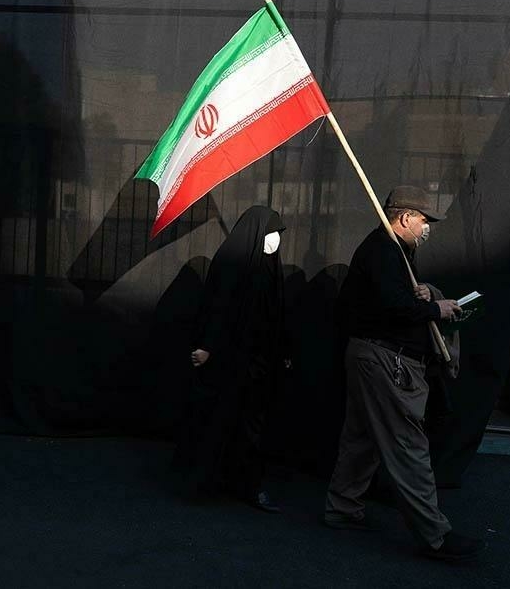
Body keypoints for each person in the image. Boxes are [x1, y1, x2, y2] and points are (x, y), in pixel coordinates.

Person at [324, 185, 485, 562]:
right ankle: (435, 535)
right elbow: (391, 306)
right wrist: (435, 310)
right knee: (407, 445)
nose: (427, 228)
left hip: (372, 357)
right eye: (424, 220)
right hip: (384, 360)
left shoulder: (394, 250)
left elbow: (391, 298)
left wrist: (424, 292)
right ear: (406, 217)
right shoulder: (383, 250)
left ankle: (342, 507)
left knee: (363, 437)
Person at [177, 206, 289, 513]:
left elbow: (275, 315)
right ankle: (208, 483)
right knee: (221, 420)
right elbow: (219, 307)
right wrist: (208, 347)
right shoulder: (232, 263)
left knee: (250, 426)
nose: (275, 240)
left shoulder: (269, 268)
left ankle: (246, 485)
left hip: (259, 363)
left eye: (278, 234)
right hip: (230, 360)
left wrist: (282, 353)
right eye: (271, 233)